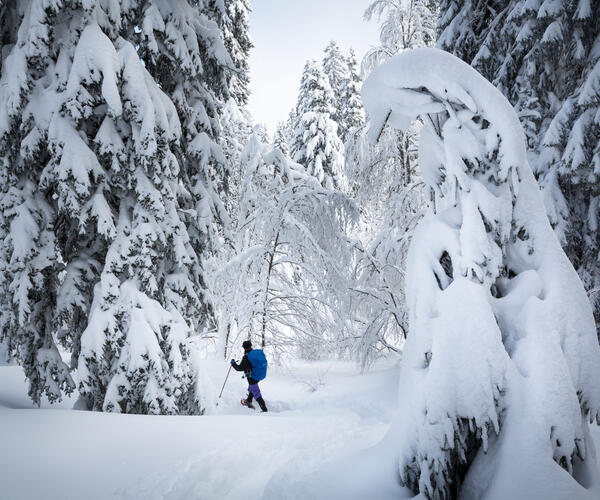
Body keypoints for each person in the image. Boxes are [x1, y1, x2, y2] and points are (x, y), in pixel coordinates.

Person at [231, 340, 268, 412]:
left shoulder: (246, 357)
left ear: (244, 348)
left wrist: (233, 364)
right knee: (252, 387)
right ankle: (249, 401)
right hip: (259, 375)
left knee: (256, 392)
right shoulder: (255, 353)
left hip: (252, 377)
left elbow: (239, 368)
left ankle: (264, 410)